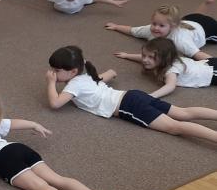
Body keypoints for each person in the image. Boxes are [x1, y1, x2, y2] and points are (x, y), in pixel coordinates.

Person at [47, 45, 217, 144]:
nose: (53, 73)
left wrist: (51, 83)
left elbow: (55, 103)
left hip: (129, 106)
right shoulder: (86, 75)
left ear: (73, 71)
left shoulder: (74, 85)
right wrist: (112, 73)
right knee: (182, 112)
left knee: (175, 127)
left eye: (56, 70)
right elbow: (108, 74)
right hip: (133, 95)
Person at [105, 0, 217, 61]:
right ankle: (208, 2)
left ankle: (208, 1)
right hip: (190, 19)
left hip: (209, 28)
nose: (156, 28)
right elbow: (132, 30)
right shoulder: (151, 29)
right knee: (197, 16)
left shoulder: (180, 41)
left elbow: (199, 55)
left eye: (161, 26)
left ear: (172, 27)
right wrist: (116, 27)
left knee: (200, 18)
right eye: (154, 23)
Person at [114, 37, 217, 98]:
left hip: (212, 72)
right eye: (144, 55)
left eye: (150, 57)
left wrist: (151, 96)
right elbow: (142, 57)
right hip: (207, 64)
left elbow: (170, 86)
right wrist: (127, 55)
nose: (145, 60)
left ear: (164, 58)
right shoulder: (164, 60)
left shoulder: (171, 70)